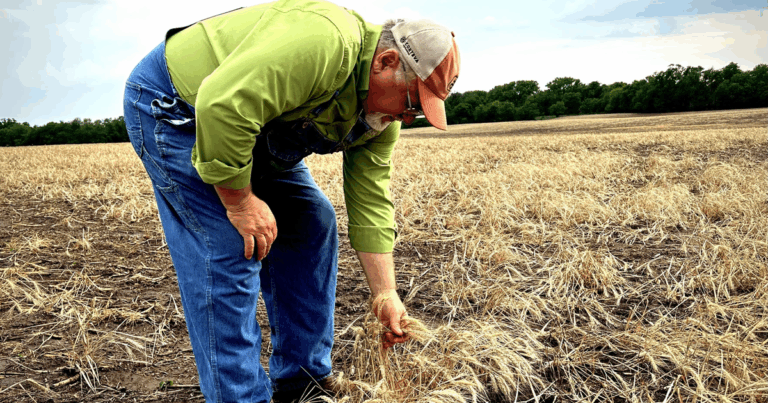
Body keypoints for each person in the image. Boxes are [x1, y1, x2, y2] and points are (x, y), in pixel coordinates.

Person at [122, 0, 460, 402]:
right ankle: (239, 397)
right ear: (385, 62)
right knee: (229, 246)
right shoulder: (324, 42)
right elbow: (222, 104)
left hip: (252, 126)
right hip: (180, 108)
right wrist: (241, 202)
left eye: (418, 112)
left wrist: (385, 292)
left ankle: (302, 382)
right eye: (411, 102)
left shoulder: (379, 120)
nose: (407, 118)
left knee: (313, 223)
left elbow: (370, 198)